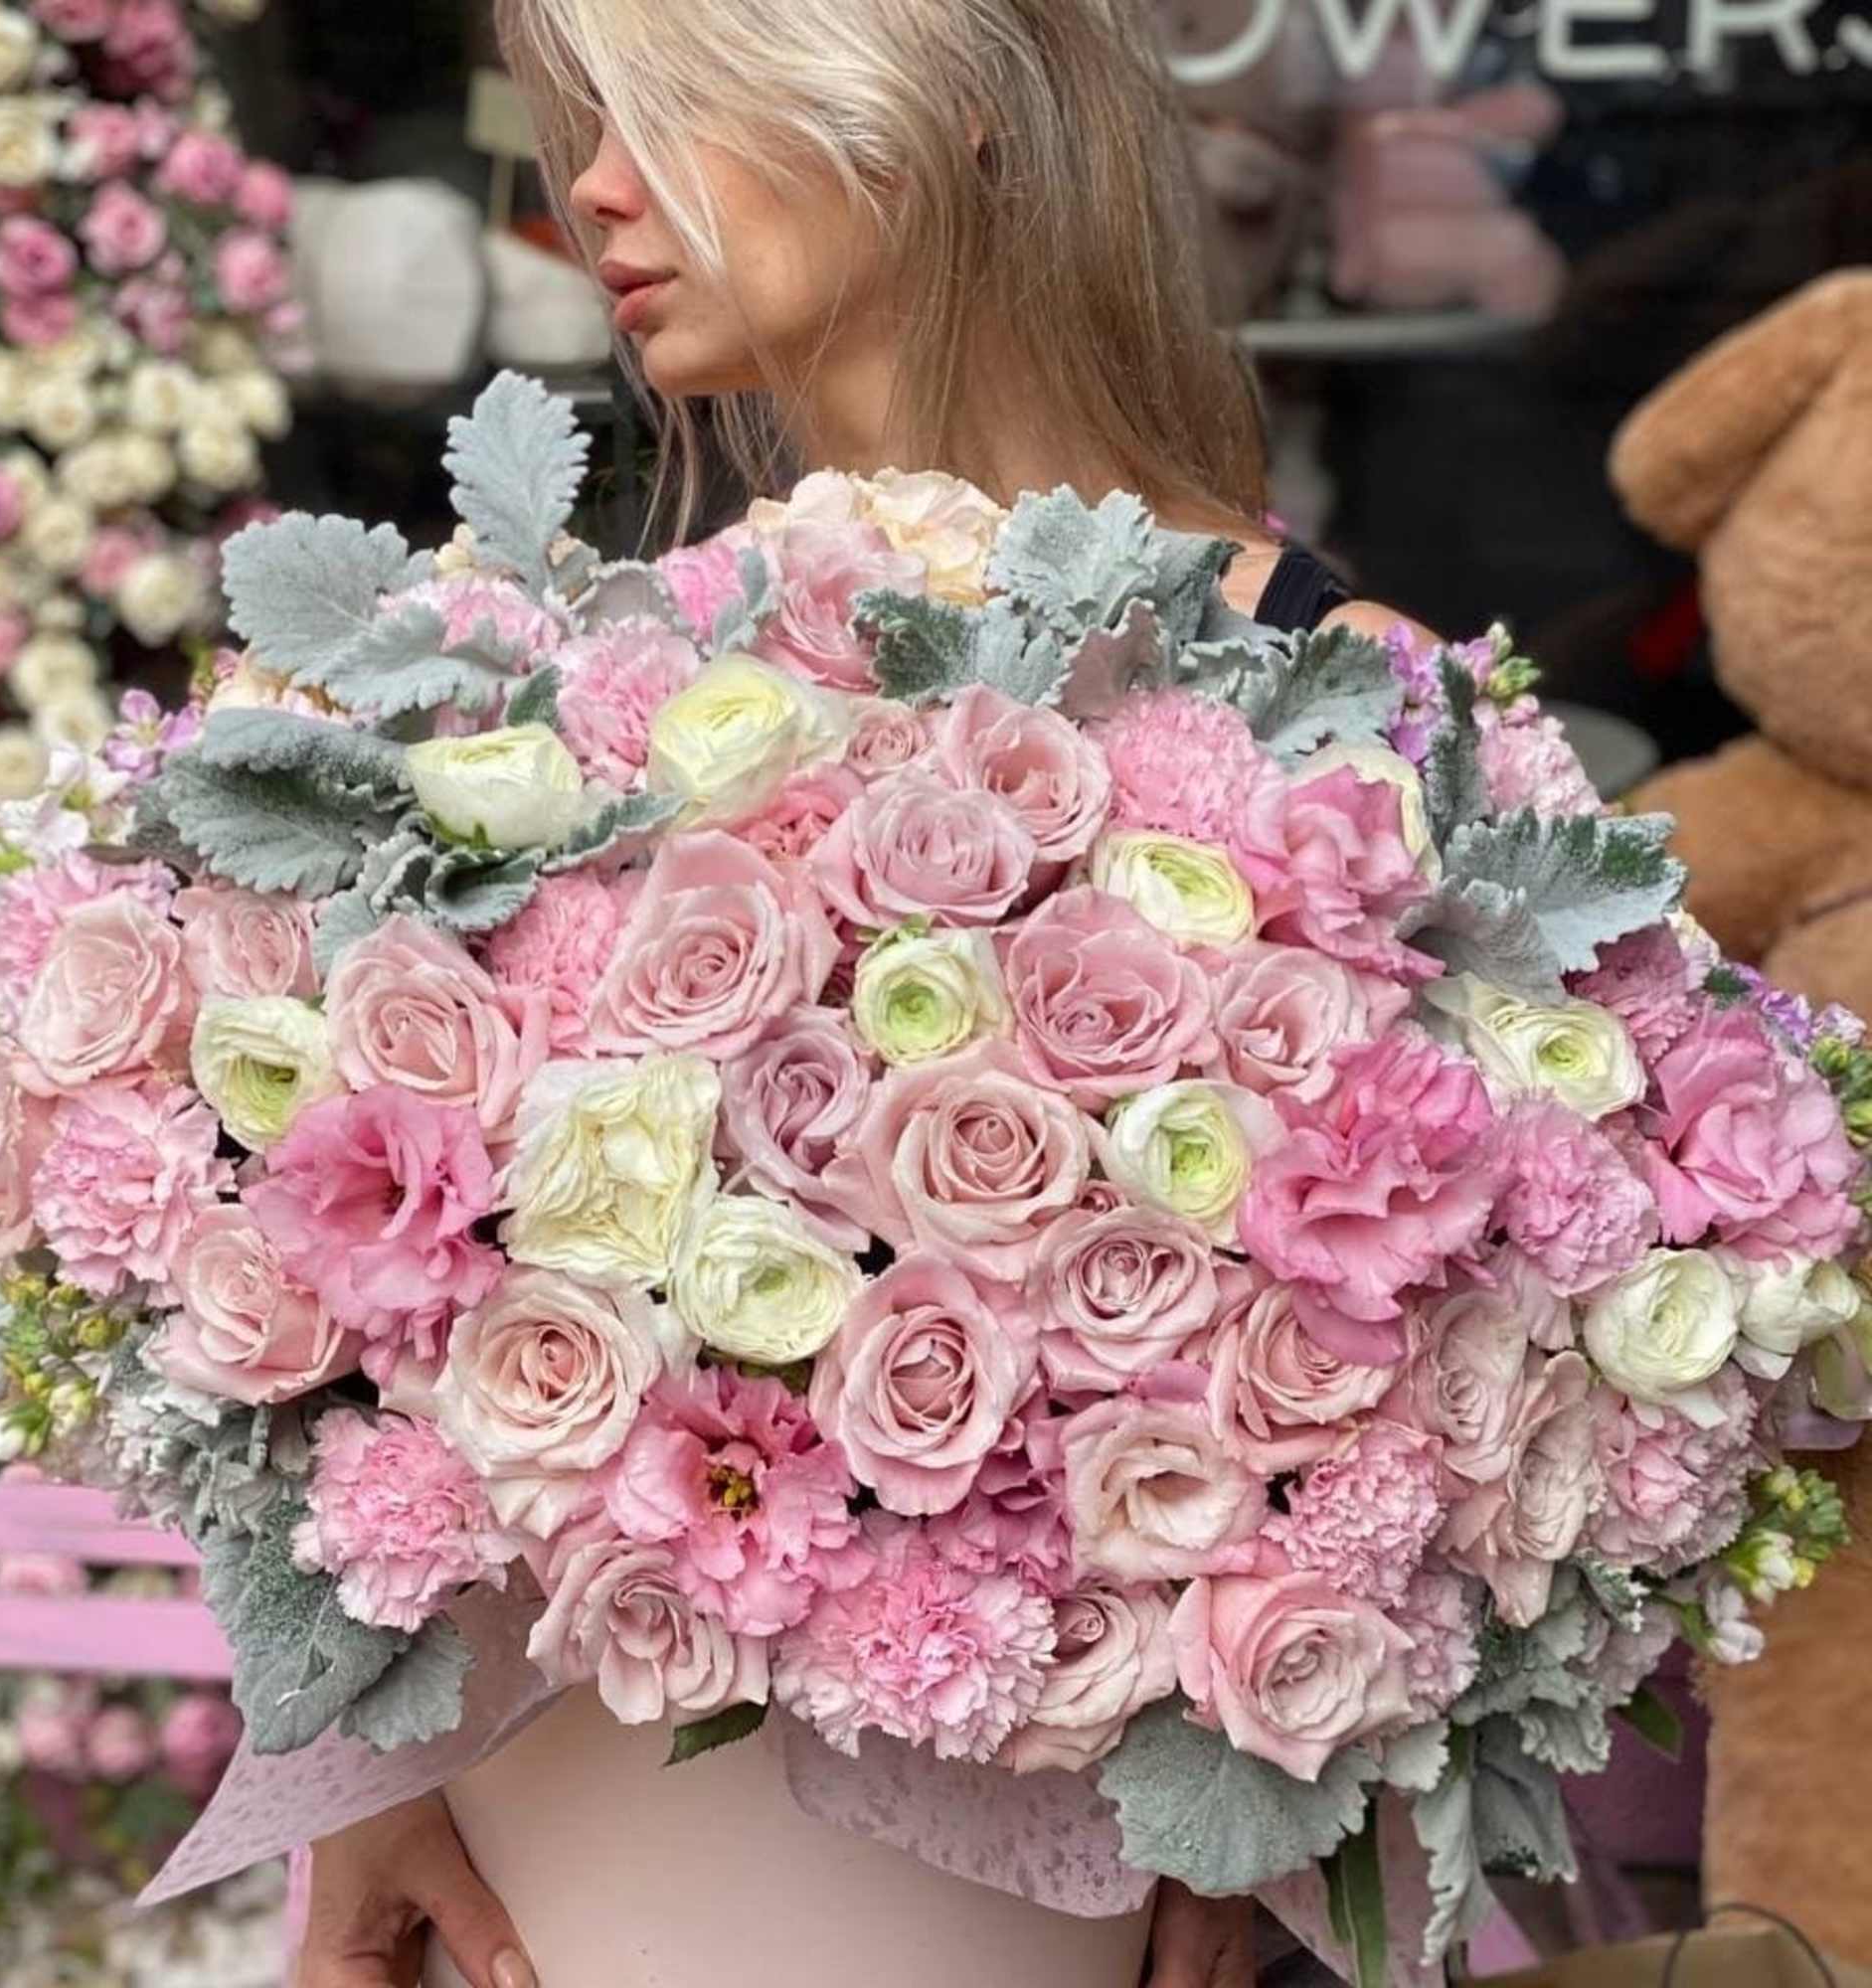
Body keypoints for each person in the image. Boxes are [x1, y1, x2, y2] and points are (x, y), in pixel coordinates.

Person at [296, 2, 1420, 1983]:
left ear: (934, 107)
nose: (603, 200)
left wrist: (1283, 1793)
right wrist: (366, 1784)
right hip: (599, 1861)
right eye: (586, 131)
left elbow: (1493, 1355)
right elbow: (375, 1344)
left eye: (671, 113)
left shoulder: (1342, 698)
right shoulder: (590, 699)